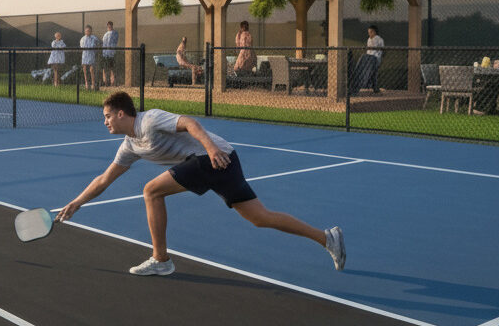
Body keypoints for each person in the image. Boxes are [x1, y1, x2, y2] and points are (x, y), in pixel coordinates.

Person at [55, 91, 345, 276]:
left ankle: (161, 259)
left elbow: (190, 122)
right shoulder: (130, 146)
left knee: (151, 191)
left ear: (121, 113)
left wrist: (210, 149)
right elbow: (105, 178)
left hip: (214, 157)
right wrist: (76, 203)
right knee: (260, 218)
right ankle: (326, 238)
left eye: (107, 116)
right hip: (221, 161)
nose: (105, 122)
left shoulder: (150, 120)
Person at [350, 25, 384, 95]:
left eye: (371, 32)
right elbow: (368, 50)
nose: (369, 34)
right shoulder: (369, 39)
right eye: (369, 32)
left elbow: (379, 49)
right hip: (369, 58)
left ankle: (363, 86)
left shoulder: (379, 39)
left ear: (374, 32)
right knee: (373, 73)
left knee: (370, 71)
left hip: (375, 58)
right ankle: (375, 88)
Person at [79, 25, 101, 90]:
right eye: (86, 31)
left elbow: (98, 44)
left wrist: (96, 50)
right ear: (85, 31)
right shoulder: (82, 39)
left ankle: (93, 84)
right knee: (85, 69)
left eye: (89, 31)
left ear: (91, 31)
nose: (87, 32)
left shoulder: (94, 38)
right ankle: (86, 84)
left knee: (92, 69)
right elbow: (81, 46)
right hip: (85, 55)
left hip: (92, 54)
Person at [101, 21, 119, 87]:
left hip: (112, 54)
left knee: (112, 68)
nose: (109, 26)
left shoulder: (115, 33)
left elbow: (114, 42)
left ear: (112, 25)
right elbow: (103, 43)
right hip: (105, 54)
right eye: (108, 25)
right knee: (105, 68)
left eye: (110, 25)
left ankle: (112, 83)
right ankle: (105, 82)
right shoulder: (105, 34)